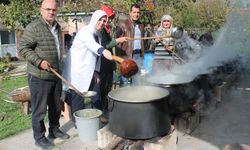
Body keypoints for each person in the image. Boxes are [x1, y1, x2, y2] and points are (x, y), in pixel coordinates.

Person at [19, 0, 70, 149]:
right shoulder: (34, 27)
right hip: (39, 76)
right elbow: (23, 48)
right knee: (39, 109)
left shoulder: (57, 27)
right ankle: (39, 137)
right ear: (41, 10)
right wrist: (39, 61)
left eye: (54, 10)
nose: (51, 12)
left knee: (55, 106)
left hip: (55, 74)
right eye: (47, 9)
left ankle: (54, 130)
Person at [63, 10, 113, 122]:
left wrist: (95, 70)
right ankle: (79, 123)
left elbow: (95, 56)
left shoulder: (98, 34)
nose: (102, 22)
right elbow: (92, 45)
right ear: (94, 18)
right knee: (78, 96)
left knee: (96, 92)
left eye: (104, 21)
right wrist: (103, 51)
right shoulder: (86, 31)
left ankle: (98, 116)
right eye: (100, 19)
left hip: (89, 70)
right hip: (77, 70)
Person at [99, 5, 128, 120]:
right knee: (103, 89)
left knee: (107, 88)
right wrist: (117, 41)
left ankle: (105, 110)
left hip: (108, 63)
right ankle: (101, 113)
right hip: (102, 64)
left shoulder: (106, 29)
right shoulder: (100, 30)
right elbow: (104, 46)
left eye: (110, 18)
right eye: (108, 18)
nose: (109, 21)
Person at [115, 3, 145, 86]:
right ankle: (123, 98)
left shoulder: (141, 25)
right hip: (126, 56)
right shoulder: (122, 24)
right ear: (130, 13)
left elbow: (143, 42)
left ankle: (135, 97)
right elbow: (116, 41)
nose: (136, 14)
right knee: (125, 80)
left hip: (138, 55)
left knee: (137, 80)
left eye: (138, 12)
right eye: (134, 12)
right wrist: (120, 58)